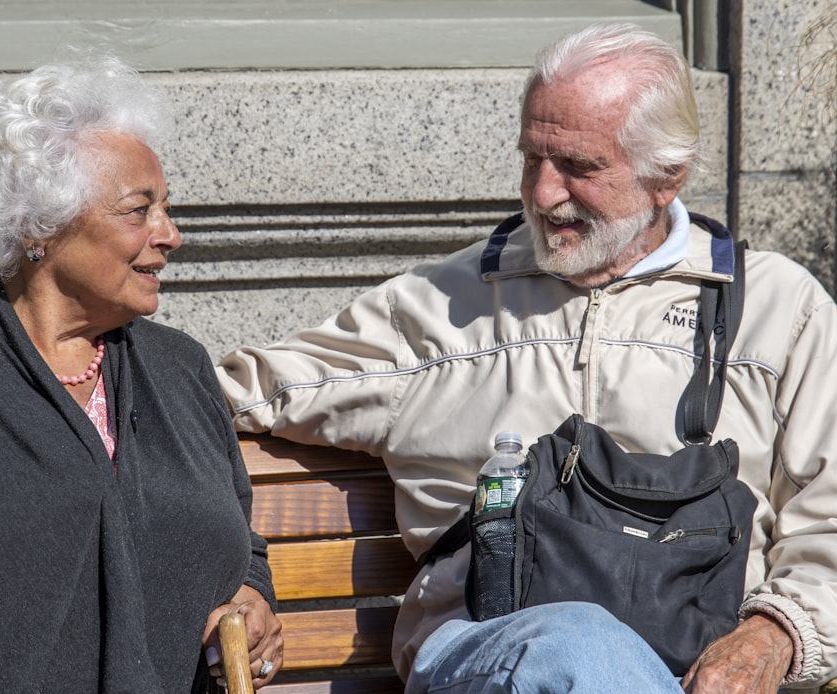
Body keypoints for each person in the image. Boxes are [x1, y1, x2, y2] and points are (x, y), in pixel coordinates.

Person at [216, 22, 837, 693]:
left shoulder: (779, 313)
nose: (543, 194)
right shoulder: (438, 310)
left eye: (579, 166)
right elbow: (224, 394)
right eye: (531, 159)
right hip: (493, 655)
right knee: (575, 648)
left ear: (667, 176)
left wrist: (777, 632)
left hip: (704, 670)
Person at [0, 55, 283, 693]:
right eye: (138, 211)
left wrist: (252, 602)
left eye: (166, 209)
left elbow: (241, 543)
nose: (172, 235)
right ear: (38, 228)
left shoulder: (179, 365)